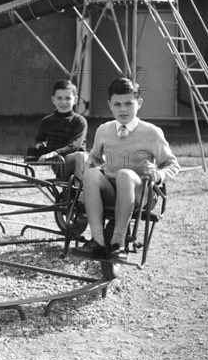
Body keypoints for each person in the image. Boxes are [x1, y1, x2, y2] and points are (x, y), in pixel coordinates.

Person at [79, 77, 179, 261]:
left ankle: (118, 242)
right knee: (91, 174)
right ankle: (98, 241)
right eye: (117, 104)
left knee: (125, 174)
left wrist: (158, 175)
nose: (123, 109)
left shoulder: (151, 132)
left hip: (141, 192)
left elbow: (172, 165)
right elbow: (94, 157)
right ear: (109, 104)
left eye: (128, 103)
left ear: (139, 103)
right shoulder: (104, 130)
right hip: (113, 190)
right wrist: (90, 166)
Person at [28, 79, 88, 179]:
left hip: (79, 162)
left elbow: (74, 145)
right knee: (63, 163)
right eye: (59, 98)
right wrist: (41, 144)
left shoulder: (79, 121)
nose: (63, 102)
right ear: (53, 100)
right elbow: (39, 139)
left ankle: (79, 190)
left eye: (68, 98)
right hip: (59, 163)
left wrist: (55, 152)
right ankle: (74, 191)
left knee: (81, 156)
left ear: (75, 100)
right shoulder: (46, 121)